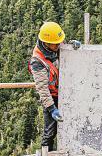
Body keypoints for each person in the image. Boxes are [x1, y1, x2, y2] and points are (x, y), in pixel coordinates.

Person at [28, 21, 81, 151]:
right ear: (46, 43)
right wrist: (52, 109)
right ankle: (47, 152)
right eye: (56, 44)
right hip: (51, 97)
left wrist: (71, 45)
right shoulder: (37, 61)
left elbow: (61, 44)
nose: (59, 45)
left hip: (64, 92)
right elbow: (42, 89)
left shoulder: (54, 44)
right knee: (50, 131)